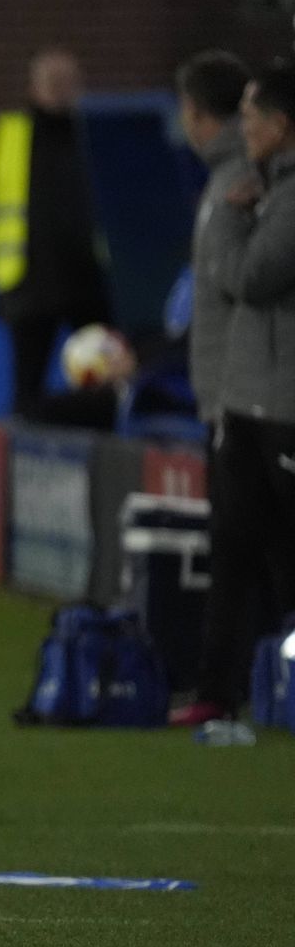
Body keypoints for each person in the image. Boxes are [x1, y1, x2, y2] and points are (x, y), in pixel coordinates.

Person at [171, 61, 295, 730]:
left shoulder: (267, 196)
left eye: (253, 118)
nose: (242, 128)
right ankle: (225, 689)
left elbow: (247, 278)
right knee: (242, 551)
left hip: (272, 407)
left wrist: (227, 220)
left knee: (274, 560)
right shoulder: (263, 189)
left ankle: (256, 687)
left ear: (281, 126)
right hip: (247, 401)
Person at [0, 47, 112, 419]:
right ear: (33, 87)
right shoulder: (8, 135)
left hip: (91, 285)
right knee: (26, 394)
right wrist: (3, 267)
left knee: (105, 386)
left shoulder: (97, 133)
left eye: (68, 82)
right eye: (52, 82)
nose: (61, 90)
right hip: (29, 287)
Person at [176, 51, 253, 427]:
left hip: (238, 401)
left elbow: (243, 282)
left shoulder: (239, 181)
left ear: (193, 110)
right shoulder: (228, 176)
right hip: (231, 396)